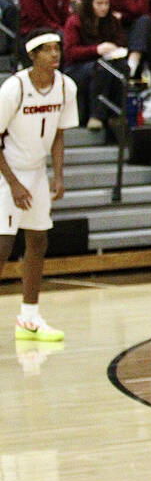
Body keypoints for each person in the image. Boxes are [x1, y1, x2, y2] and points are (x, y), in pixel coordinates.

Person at [0, 32, 78, 343]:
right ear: (32, 56)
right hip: (7, 171)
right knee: (3, 246)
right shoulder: (13, 88)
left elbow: (59, 134)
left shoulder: (65, 86)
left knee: (38, 240)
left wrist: (57, 175)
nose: (54, 54)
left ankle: (29, 318)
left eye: (56, 48)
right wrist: (14, 183)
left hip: (35, 171)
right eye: (46, 50)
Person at [63, 0, 129, 131]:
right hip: (77, 67)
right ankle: (96, 116)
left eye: (106, 3)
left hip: (102, 64)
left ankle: (116, 114)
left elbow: (120, 42)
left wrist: (115, 49)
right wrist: (97, 49)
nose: (104, 8)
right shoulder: (75, 21)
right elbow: (70, 52)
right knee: (102, 69)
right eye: (99, 3)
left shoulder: (111, 21)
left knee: (122, 67)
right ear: (89, 3)